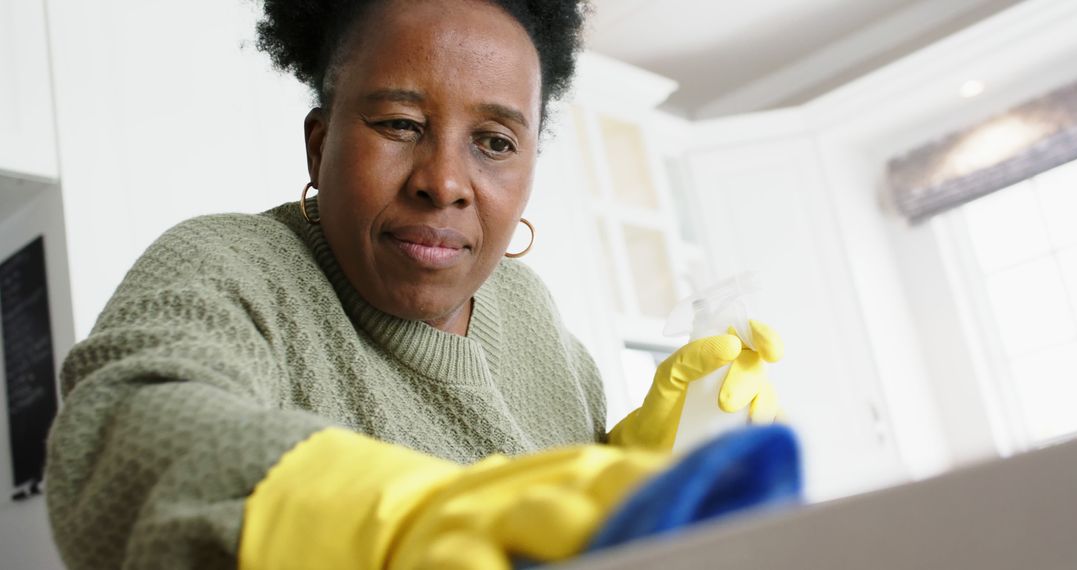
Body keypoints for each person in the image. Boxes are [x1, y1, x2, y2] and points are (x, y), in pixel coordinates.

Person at [44, 1, 784, 568]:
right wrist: (398, 522)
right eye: (400, 124)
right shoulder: (228, 264)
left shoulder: (533, 318)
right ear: (321, 140)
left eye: (495, 142)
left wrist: (639, 472)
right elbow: (121, 435)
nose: (444, 183)